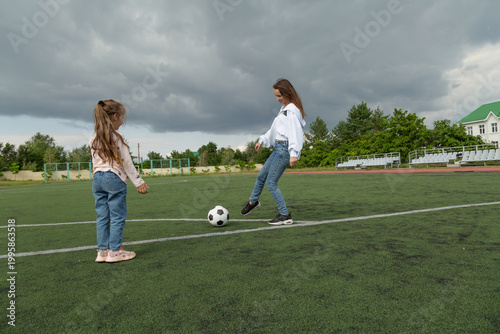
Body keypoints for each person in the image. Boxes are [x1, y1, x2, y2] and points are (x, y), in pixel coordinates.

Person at [90, 99, 149, 263]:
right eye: (122, 118)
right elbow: (126, 162)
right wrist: (138, 182)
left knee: (102, 216)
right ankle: (115, 252)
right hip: (113, 178)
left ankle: (102, 252)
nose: (122, 122)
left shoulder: (94, 138)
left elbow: (95, 162)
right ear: (115, 116)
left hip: (97, 179)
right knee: (117, 216)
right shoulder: (117, 137)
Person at [241, 79, 306, 225]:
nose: (277, 99)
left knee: (271, 183)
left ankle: (285, 215)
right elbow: (274, 130)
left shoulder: (291, 111)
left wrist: (294, 153)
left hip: (284, 150)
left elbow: (295, 132)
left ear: (287, 93)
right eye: (276, 96)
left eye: (279, 96)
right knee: (261, 176)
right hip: (277, 148)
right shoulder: (283, 110)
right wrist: (262, 141)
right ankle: (253, 202)